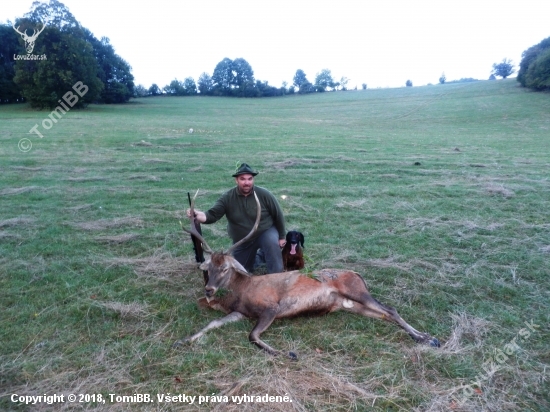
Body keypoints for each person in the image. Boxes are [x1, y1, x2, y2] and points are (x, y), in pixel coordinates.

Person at [187, 163, 286, 274]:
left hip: (264, 231)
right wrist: (197, 215)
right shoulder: (228, 197)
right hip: (242, 239)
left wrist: (282, 236)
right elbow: (212, 215)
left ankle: (277, 276)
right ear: (236, 180)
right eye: (242, 179)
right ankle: (260, 257)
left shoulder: (264, 194)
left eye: (250, 179)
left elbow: (278, 215)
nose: (247, 182)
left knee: (272, 244)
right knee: (240, 272)